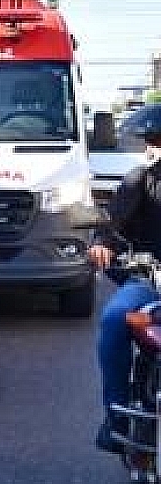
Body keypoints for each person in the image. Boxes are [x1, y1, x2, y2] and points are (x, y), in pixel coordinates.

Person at [87, 104, 161, 453]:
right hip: (149, 280)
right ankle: (116, 417)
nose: (154, 146)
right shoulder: (139, 181)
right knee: (116, 318)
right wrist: (102, 244)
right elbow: (113, 228)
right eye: (153, 140)